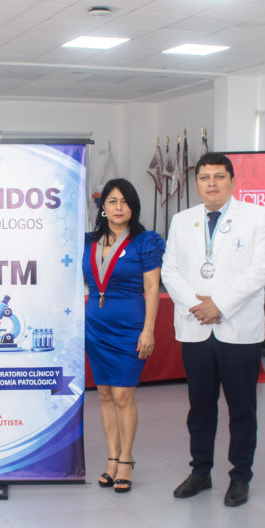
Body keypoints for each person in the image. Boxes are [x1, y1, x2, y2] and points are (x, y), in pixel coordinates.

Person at [161, 152, 265, 506]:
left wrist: (219, 305)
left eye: (219, 177)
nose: (211, 183)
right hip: (196, 327)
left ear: (232, 180)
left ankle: (240, 475)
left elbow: (261, 270)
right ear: (196, 183)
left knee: (242, 408)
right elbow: (170, 270)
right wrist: (198, 306)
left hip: (237, 327)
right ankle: (200, 471)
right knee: (200, 407)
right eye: (204, 177)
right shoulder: (182, 220)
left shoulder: (257, 217)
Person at [83, 179, 163, 493]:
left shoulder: (146, 241)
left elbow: (153, 288)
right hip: (96, 326)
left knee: (122, 395)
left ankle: (127, 459)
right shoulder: (88, 241)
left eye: (125, 202)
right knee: (103, 394)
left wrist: (148, 330)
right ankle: (112, 458)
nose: (119, 207)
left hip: (130, 326)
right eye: (113, 201)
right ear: (102, 207)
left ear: (133, 207)